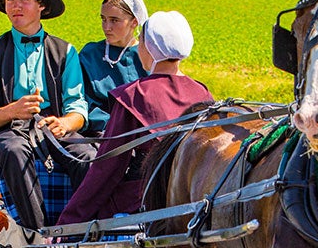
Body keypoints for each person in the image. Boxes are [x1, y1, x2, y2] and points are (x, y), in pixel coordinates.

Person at [58, 11, 214, 225]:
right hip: (193, 199)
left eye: (140, 40)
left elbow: (107, 168)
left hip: (146, 199)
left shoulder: (134, 96)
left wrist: (69, 220)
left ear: (148, 48)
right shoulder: (202, 93)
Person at [0, 0, 96, 230]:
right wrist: (13, 110)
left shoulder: (66, 52)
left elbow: (78, 108)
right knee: (15, 152)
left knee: (87, 156)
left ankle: (79, 231)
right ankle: (38, 233)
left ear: (42, 6)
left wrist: (65, 123)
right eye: (10, 0)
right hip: (10, 129)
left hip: (54, 129)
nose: (15, 6)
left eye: (24, 0)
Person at [77, 0, 149, 137]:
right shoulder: (90, 55)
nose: (106, 27)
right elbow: (83, 101)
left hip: (144, 136)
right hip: (101, 136)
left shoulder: (147, 55)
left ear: (134, 22)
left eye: (114, 20)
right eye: (103, 19)